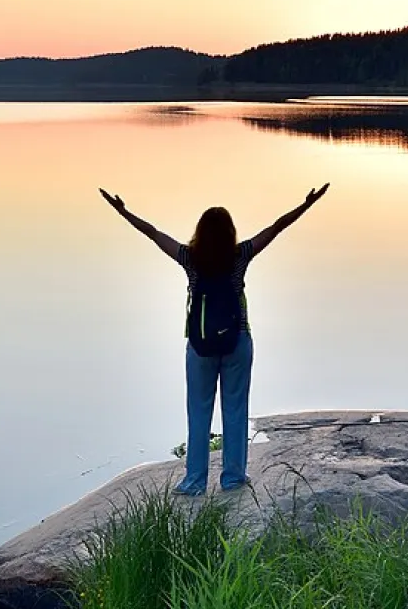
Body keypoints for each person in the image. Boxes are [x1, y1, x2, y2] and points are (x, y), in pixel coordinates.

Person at [99, 184, 330, 494]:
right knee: (235, 410)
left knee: (198, 413)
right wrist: (307, 204)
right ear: (230, 232)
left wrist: (123, 211)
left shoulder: (189, 258)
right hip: (238, 342)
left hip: (200, 346)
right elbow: (276, 228)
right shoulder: (240, 256)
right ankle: (233, 479)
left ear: (201, 233)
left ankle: (194, 481)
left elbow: (153, 234)